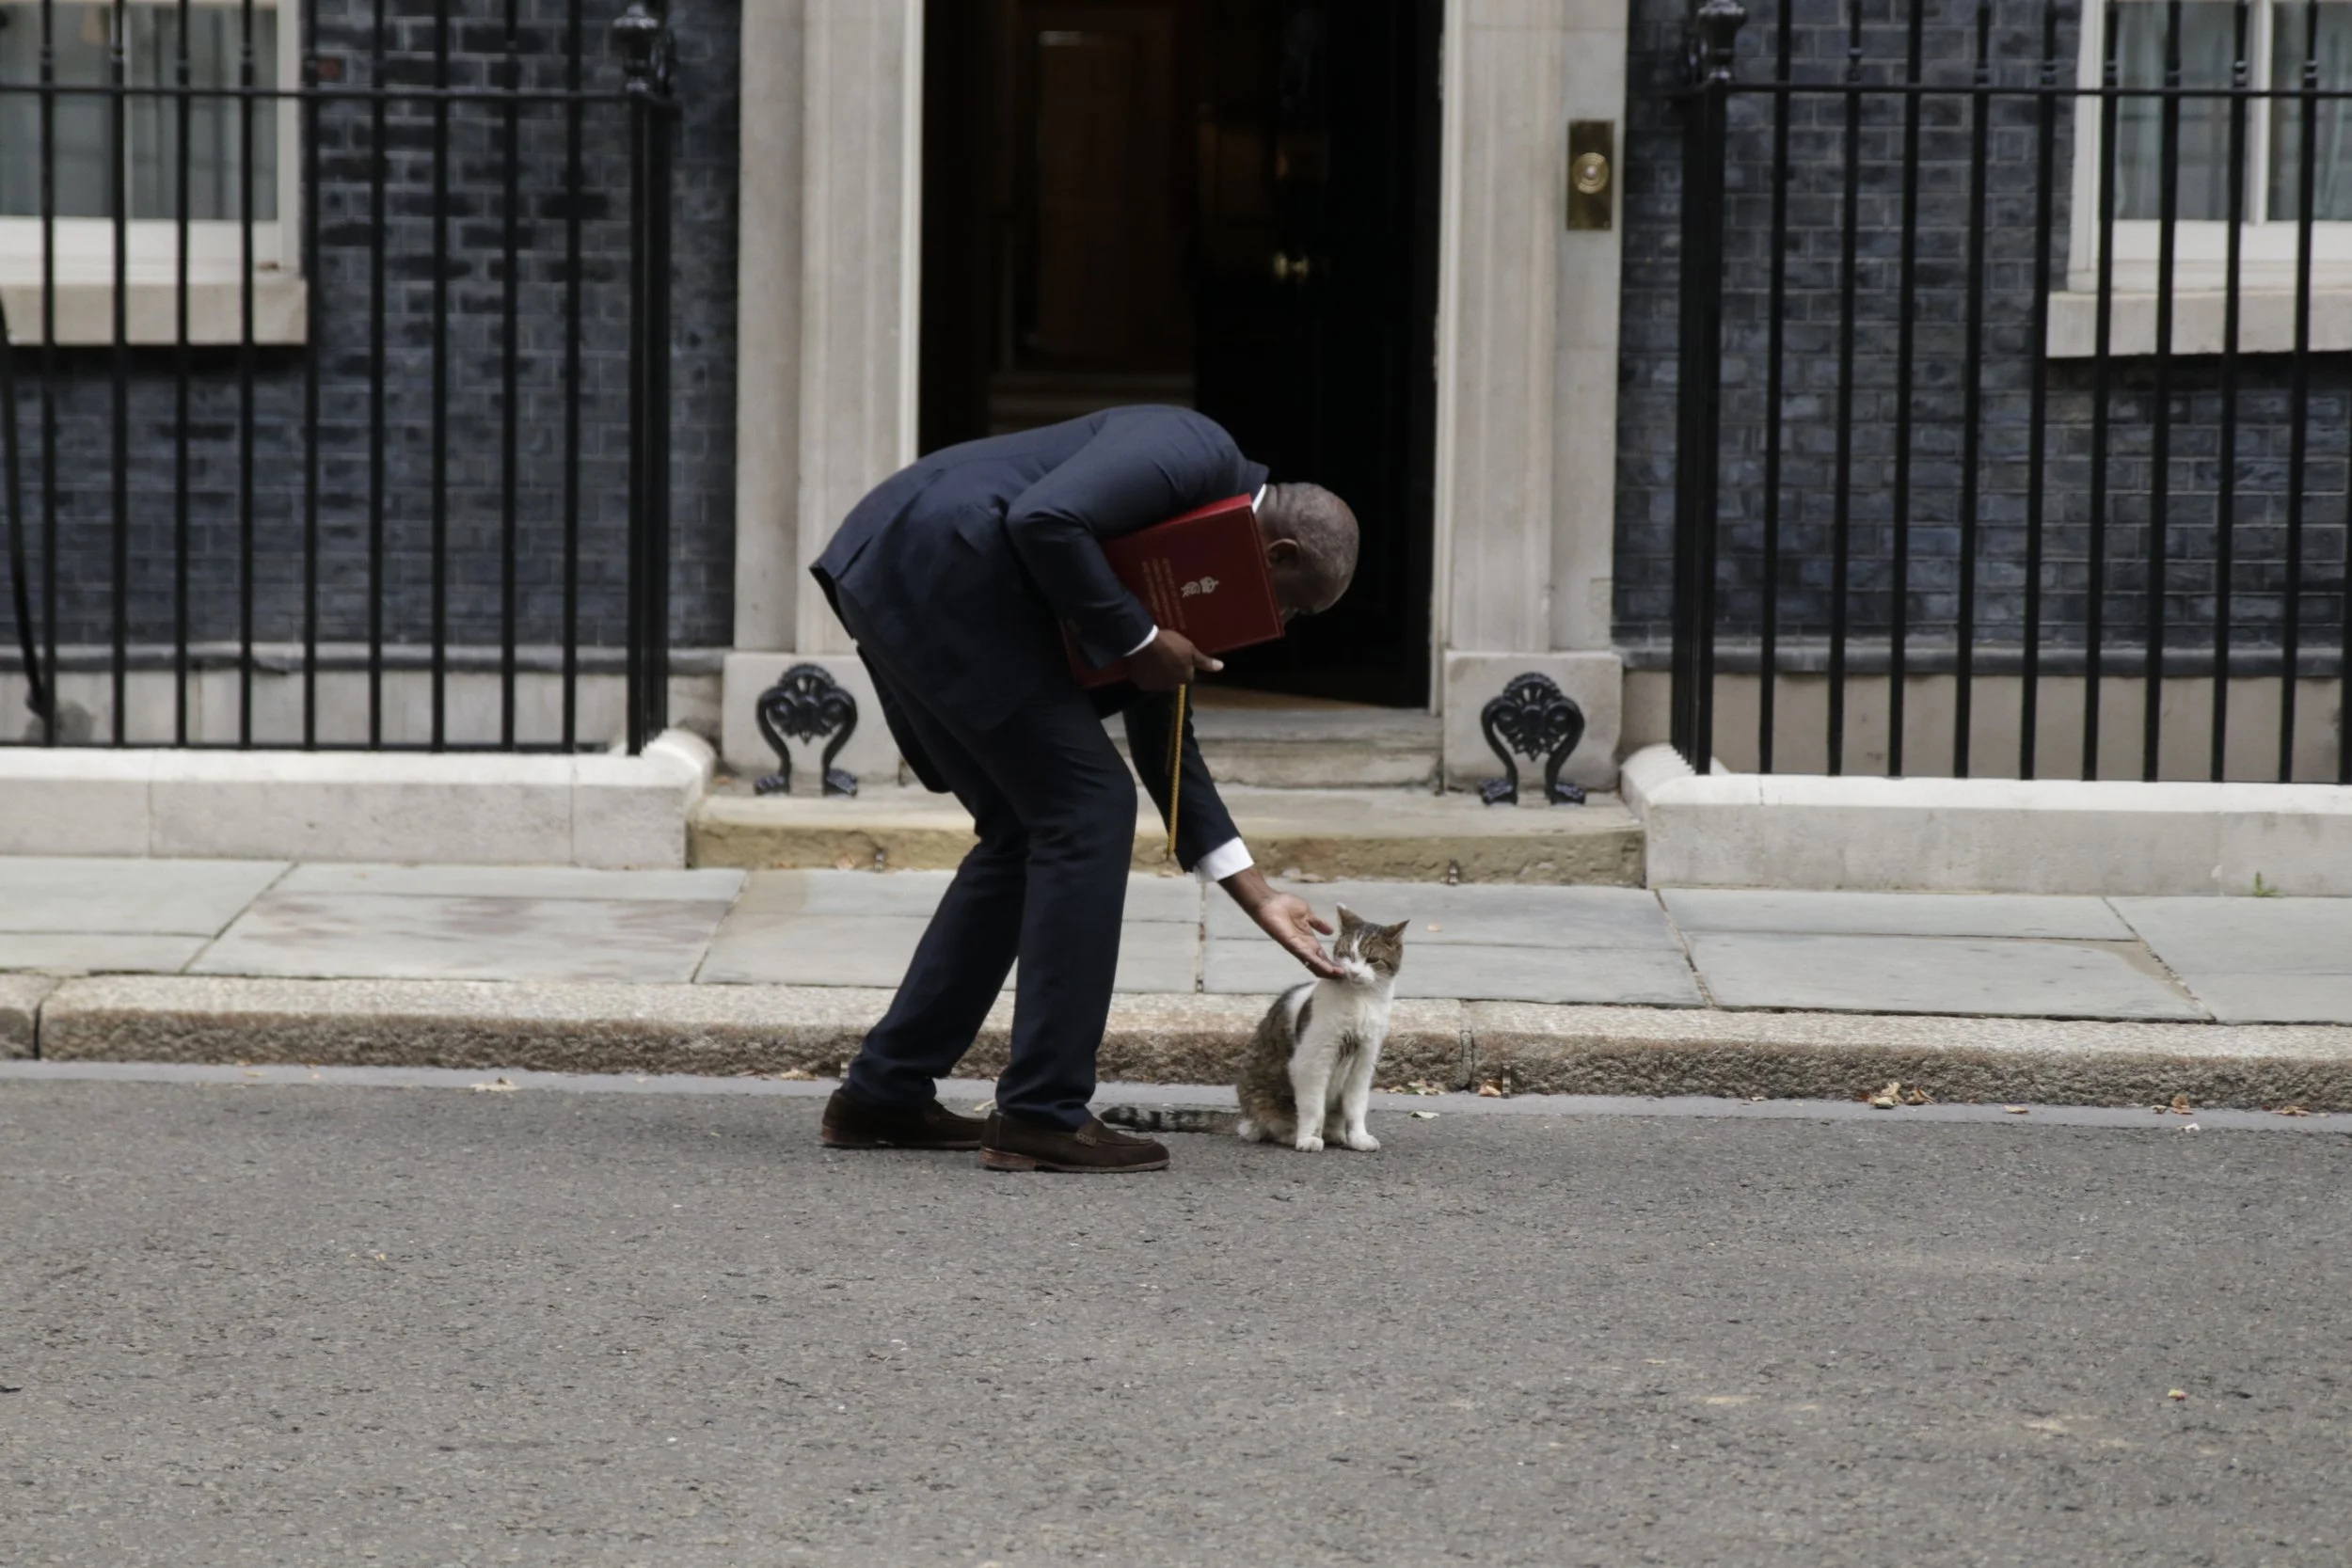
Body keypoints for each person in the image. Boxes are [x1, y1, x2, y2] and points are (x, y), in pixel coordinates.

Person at [809, 405, 1360, 1172]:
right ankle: (1043, 1110)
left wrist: (1258, 894)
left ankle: (884, 1094)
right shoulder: (1195, 447)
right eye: (1294, 604)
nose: (1282, 623)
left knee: (1024, 826)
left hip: (912, 568)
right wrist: (1137, 639)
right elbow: (1045, 516)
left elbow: (1168, 737)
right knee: (1088, 806)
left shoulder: (1187, 549)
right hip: (943, 558)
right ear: (1280, 552)